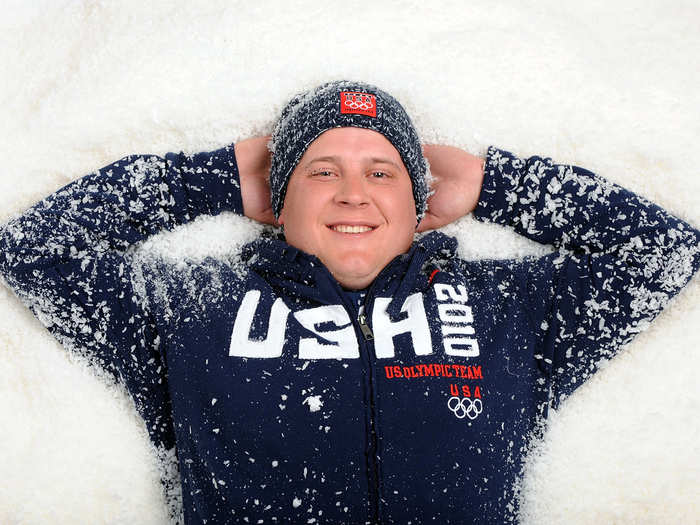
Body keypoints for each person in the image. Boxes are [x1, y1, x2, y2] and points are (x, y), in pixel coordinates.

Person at [1, 80, 698, 525]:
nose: (352, 193)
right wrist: (213, 178)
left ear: (422, 203)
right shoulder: (196, 311)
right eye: (321, 170)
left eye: (383, 172)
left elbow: (664, 253)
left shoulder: (500, 312)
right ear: (277, 200)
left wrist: (497, 183)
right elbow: (35, 251)